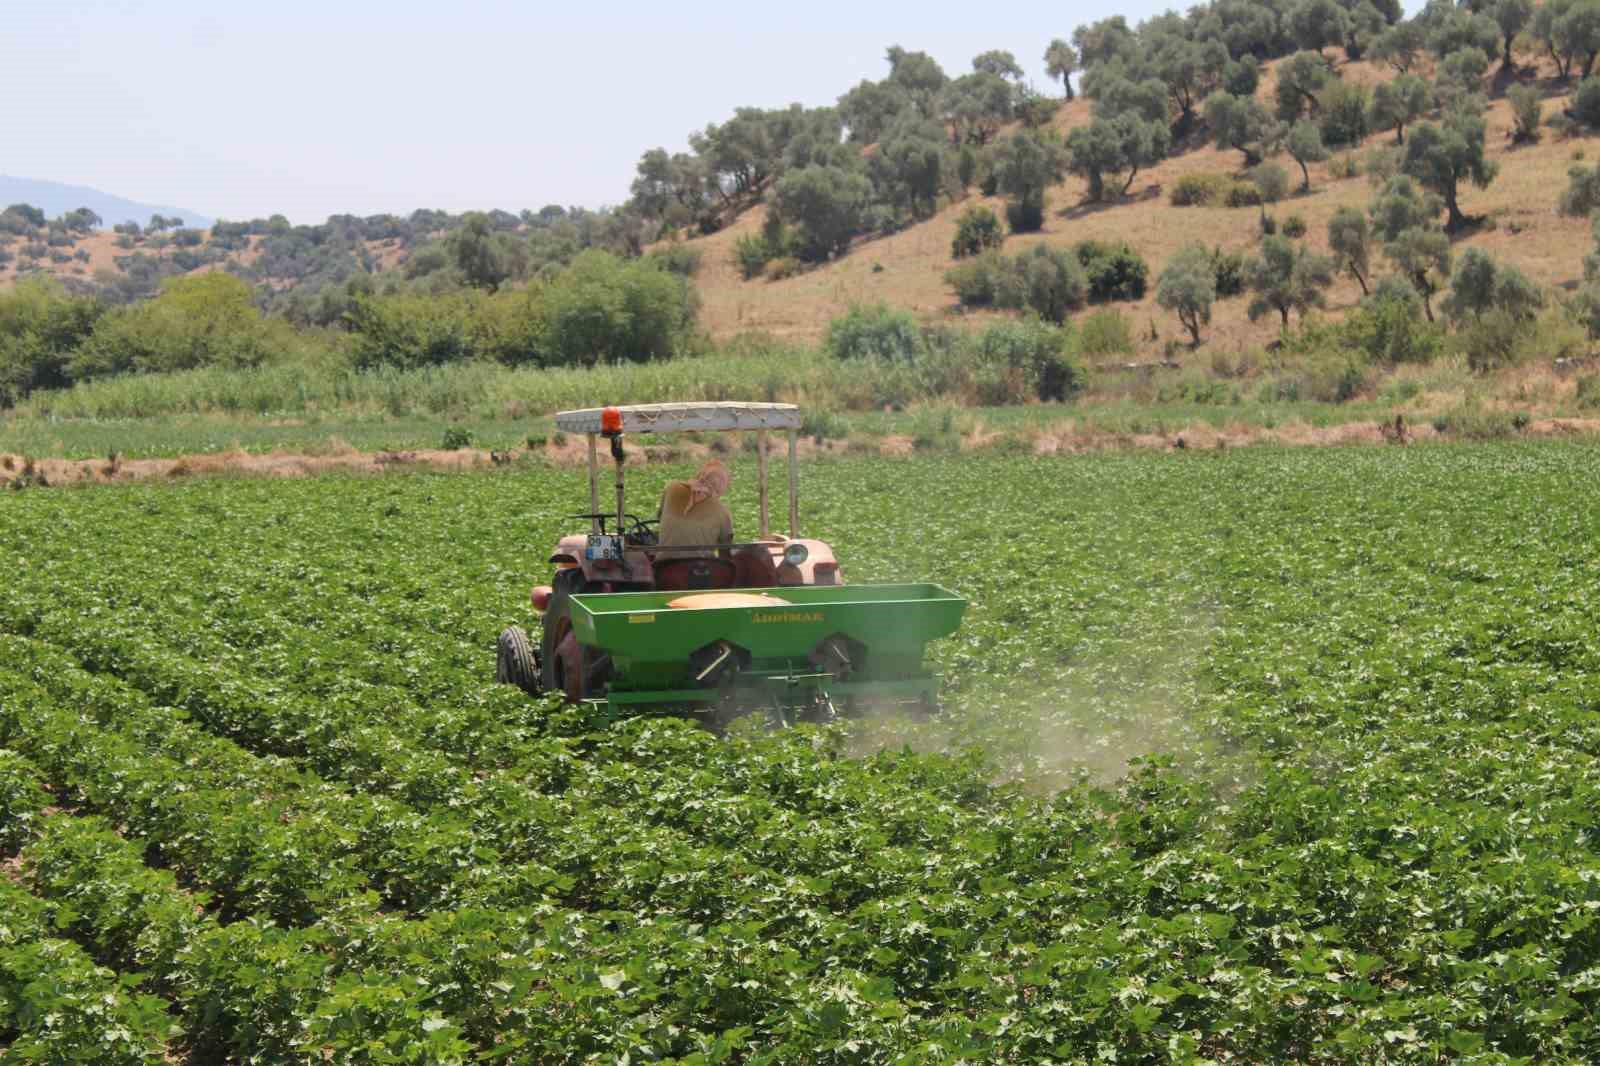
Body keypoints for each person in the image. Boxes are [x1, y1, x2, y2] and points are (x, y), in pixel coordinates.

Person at [655, 459, 733, 559]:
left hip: (663, 566)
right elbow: (725, 553)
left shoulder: (671, 487)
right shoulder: (723, 512)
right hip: (702, 570)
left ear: (699, 474)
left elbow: (660, 517)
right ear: (722, 486)